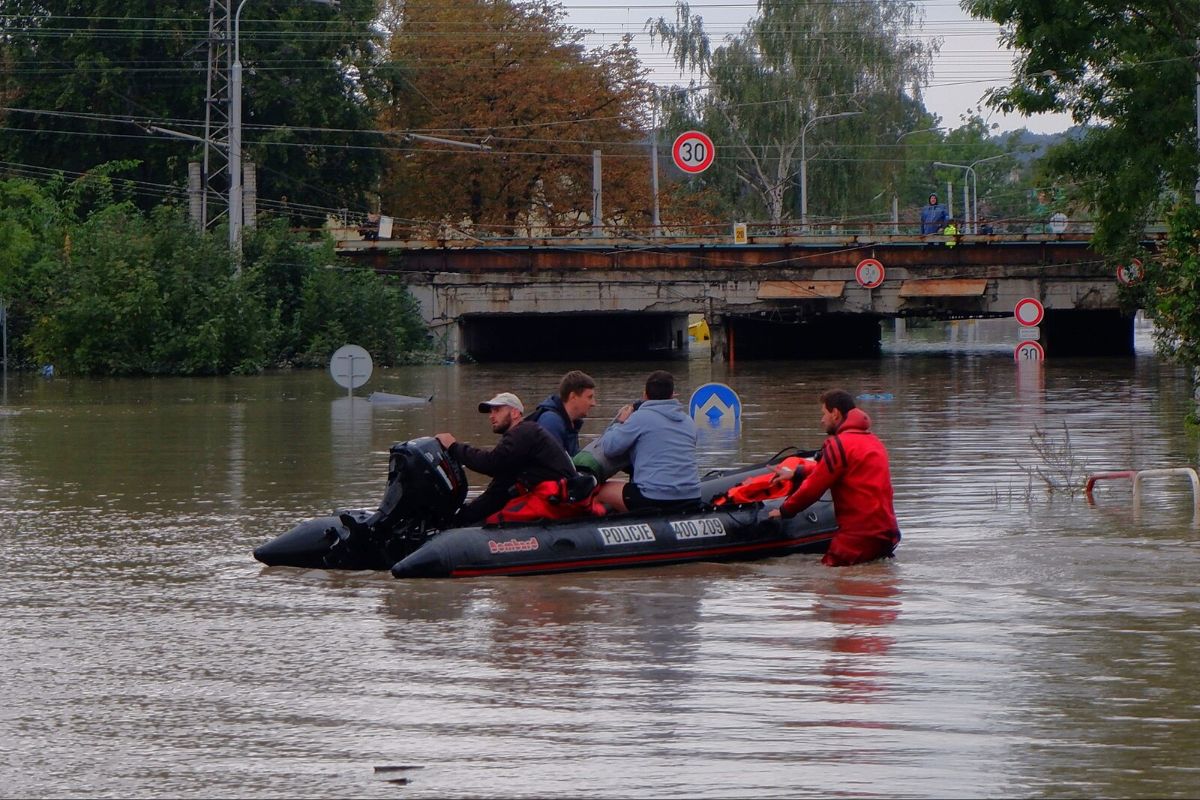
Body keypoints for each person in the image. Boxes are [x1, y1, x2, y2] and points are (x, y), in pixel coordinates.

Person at [768, 389, 900, 567]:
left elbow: (813, 489)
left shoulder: (838, 445)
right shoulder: (874, 442)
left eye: (824, 413)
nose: (822, 420)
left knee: (827, 587)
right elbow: (842, 469)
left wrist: (784, 510)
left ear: (835, 413)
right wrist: (797, 472)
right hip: (888, 533)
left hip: (857, 536)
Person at [435, 392, 576, 526]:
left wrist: (453, 447)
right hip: (549, 499)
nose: (491, 416)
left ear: (514, 413)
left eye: (497, 410)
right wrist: (464, 516)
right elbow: (499, 487)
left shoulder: (524, 433)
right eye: (491, 411)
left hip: (558, 501)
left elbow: (491, 464)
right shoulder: (520, 439)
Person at [594, 370, 701, 513]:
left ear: (645, 395)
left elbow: (609, 448)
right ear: (672, 395)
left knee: (598, 490)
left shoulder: (640, 418)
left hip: (654, 497)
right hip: (692, 496)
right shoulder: (689, 421)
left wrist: (619, 422)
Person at [528, 370, 596, 456]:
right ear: (573, 397)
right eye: (589, 397)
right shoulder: (551, 422)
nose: (594, 403)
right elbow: (552, 463)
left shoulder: (571, 423)